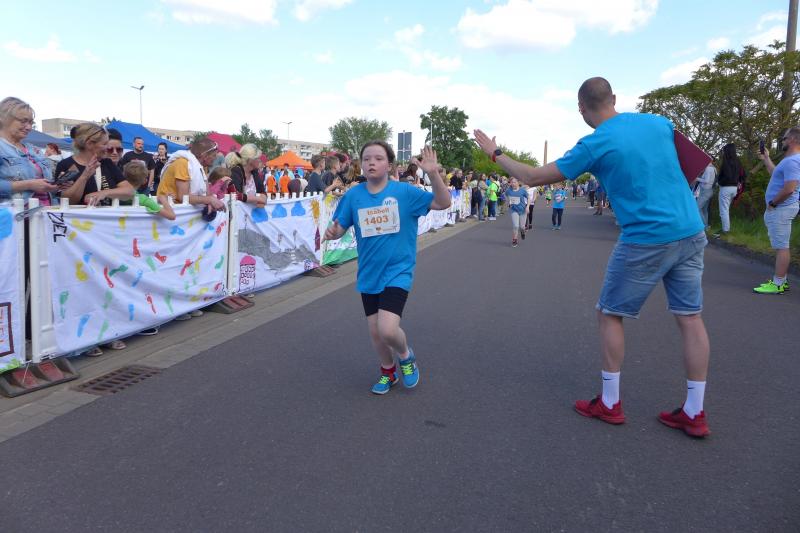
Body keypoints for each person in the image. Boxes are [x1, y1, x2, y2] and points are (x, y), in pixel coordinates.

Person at [475, 76, 712, 438]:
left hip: (645, 237)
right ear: (614, 98)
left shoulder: (594, 144)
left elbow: (532, 176)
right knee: (690, 317)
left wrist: (495, 152)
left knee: (610, 314)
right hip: (691, 230)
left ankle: (610, 403)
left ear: (581, 109)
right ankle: (695, 411)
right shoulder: (658, 123)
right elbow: (693, 166)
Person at [324, 142, 450, 395]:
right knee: (375, 333)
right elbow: (340, 227)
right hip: (369, 272)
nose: (371, 162)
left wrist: (434, 174)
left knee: (388, 329)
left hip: (398, 270)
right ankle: (388, 372)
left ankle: (405, 355)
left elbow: (443, 202)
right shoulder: (354, 196)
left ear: (389, 165)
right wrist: (333, 232)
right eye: (366, 158)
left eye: (378, 158)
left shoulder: (405, 192)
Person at [753, 126, 800, 295]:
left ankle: (778, 283)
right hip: (781, 208)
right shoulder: (790, 160)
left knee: (782, 247)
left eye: (784, 138)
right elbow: (775, 174)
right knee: (781, 245)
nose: (782, 141)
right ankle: (782, 280)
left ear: (793, 140)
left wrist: (773, 203)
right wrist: (766, 158)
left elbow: (789, 189)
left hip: (781, 208)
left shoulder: (793, 161)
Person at [57, 124, 135, 206]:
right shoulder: (65, 165)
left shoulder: (106, 163)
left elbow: (130, 192)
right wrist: (85, 176)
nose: (108, 147)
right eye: (105, 144)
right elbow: (68, 202)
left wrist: (103, 193)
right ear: (89, 144)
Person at [0, 97, 59, 204]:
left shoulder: (34, 150)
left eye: (31, 123)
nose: (29, 127)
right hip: (15, 213)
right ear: (3, 119)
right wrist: (28, 185)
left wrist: (57, 185)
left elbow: (46, 188)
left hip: (46, 211)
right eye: (23, 121)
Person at [156, 136, 225, 215]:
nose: (215, 158)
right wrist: (209, 200)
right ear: (205, 155)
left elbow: (206, 193)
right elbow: (183, 197)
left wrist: (210, 200)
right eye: (214, 155)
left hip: (183, 213)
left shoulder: (201, 167)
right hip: (172, 212)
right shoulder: (182, 163)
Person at [716, 143, 745, 237]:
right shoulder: (738, 162)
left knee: (723, 210)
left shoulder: (726, 162)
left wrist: (719, 182)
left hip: (725, 188)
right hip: (734, 188)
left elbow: (726, 177)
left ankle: (725, 230)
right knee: (726, 209)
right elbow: (743, 175)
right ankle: (726, 228)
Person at [505, 177, 528, 246]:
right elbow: (506, 196)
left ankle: (523, 231)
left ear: (518, 183)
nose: (513, 184)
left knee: (522, 227)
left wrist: (527, 206)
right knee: (515, 226)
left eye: (515, 182)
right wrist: (508, 202)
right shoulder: (508, 191)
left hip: (523, 210)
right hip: (514, 210)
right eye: (512, 182)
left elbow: (529, 198)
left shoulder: (522, 190)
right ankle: (515, 239)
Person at [694, 162, 716, 228]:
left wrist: (696, 178)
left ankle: (704, 225)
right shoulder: (714, 169)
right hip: (710, 190)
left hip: (705, 191)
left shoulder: (708, 168)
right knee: (704, 210)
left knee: (697, 207)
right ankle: (706, 227)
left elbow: (706, 181)